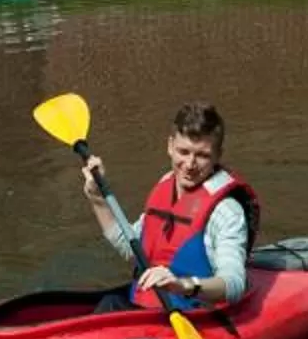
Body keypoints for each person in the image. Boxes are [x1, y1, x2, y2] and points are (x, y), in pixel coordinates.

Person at [79, 101, 259, 313]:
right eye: (183, 152)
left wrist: (183, 285)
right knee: (108, 303)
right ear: (170, 147)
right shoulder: (166, 184)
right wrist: (97, 198)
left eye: (202, 155)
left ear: (218, 155)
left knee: (109, 305)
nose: (190, 165)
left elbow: (234, 284)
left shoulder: (226, 211)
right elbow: (130, 247)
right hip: (146, 305)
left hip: (196, 314)